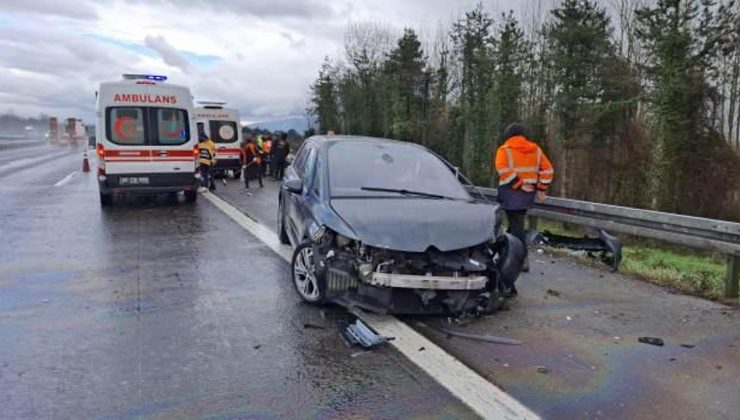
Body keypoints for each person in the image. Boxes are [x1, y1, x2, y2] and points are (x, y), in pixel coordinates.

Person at [494, 123, 554, 278]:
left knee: (517, 227)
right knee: (514, 225)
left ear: (508, 135)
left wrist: (519, 184)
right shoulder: (535, 149)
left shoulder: (504, 150)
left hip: (511, 192)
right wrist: (541, 188)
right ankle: (505, 250)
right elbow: (548, 169)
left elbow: (502, 170)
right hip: (527, 194)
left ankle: (521, 259)